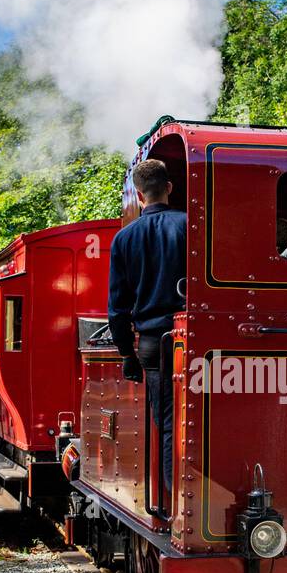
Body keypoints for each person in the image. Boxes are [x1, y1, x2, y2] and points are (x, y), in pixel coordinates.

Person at [107, 158, 187, 497]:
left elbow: (117, 308)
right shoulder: (190, 226)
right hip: (196, 340)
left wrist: (127, 353)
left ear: (139, 196)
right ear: (169, 187)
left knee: (167, 422)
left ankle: (174, 496)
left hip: (153, 343)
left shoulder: (124, 239)